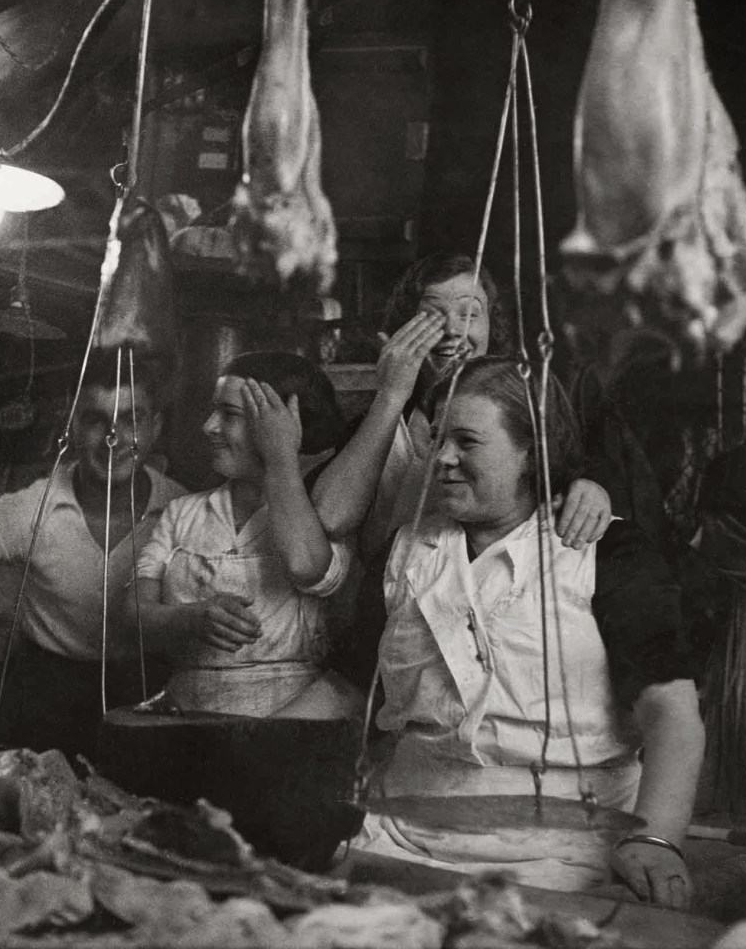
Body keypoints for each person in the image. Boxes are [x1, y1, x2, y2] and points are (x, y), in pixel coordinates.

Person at [350, 356, 704, 908]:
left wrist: (655, 840)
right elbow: (357, 697)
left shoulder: (608, 555)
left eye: (467, 441)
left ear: (532, 452)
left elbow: (673, 713)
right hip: (399, 837)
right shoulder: (403, 554)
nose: (442, 458)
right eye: (438, 437)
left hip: (559, 852)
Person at [0, 351, 187, 762]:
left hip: (148, 700)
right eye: (96, 420)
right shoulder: (32, 509)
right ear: (72, 426)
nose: (114, 438)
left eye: (132, 419)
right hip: (48, 708)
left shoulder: (181, 509)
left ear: (155, 427)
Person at [311, 253, 613, 558]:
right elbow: (331, 518)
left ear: (491, 325)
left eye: (469, 314)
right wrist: (390, 395)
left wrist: (591, 489)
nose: (453, 330)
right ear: (403, 331)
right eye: (432, 317)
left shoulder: (529, 409)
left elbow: (576, 480)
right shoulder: (382, 419)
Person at [136, 351, 361, 719]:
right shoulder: (182, 512)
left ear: (284, 425)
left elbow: (308, 567)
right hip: (183, 714)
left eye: (230, 415)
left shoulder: (324, 513)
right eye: (213, 410)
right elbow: (134, 615)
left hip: (290, 718)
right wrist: (188, 619)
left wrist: (281, 455)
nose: (209, 426)